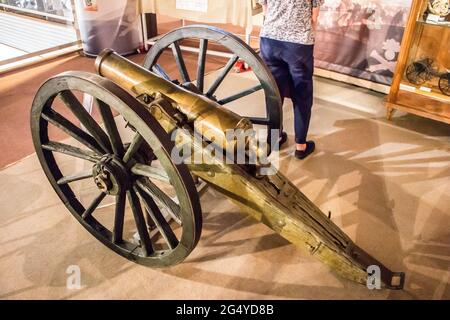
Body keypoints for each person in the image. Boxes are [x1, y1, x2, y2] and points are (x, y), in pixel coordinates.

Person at [259, 0, 322, 159]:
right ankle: (301, 146)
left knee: (274, 93)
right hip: (298, 44)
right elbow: (314, 16)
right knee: (302, 95)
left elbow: (265, 10)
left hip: (269, 40)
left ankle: (274, 139)